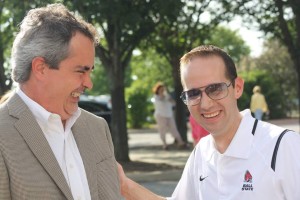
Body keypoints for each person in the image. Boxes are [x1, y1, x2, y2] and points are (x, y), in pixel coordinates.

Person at [118, 45, 300, 200]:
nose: (205, 104)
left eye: (215, 89)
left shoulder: (283, 146)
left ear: (237, 88)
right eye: (193, 94)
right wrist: (124, 185)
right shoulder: (202, 152)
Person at [0, 4, 121, 199]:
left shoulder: (97, 128)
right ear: (41, 68)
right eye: (81, 71)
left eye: (90, 71)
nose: (88, 83)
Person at [152, 82, 186, 150]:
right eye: (161, 89)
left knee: (174, 129)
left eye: (163, 89)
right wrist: (164, 97)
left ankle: (181, 142)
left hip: (169, 115)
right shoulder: (156, 97)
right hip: (160, 115)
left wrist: (169, 99)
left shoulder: (167, 96)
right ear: (157, 90)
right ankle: (165, 144)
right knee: (162, 130)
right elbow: (159, 103)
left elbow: (173, 104)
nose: (162, 90)